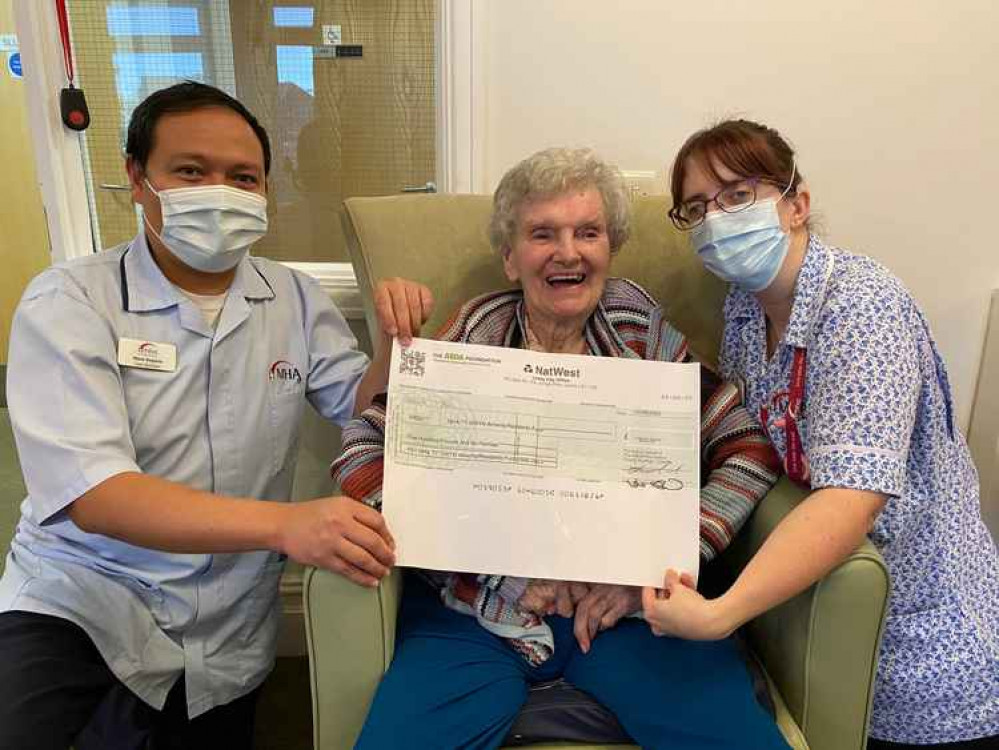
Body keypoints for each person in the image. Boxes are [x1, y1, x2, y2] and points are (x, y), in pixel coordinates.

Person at [0, 81, 431, 750]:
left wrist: (392, 344)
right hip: (85, 598)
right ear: (138, 178)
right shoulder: (70, 301)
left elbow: (359, 407)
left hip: (228, 622)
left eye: (243, 177)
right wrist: (288, 525)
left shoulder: (293, 296)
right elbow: (95, 494)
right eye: (192, 172)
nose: (220, 193)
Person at [331, 147, 790, 749]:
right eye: (542, 233)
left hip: (627, 617)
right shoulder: (473, 335)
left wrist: (660, 563)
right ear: (509, 256)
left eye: (588, 232)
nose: (567, 252)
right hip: (475, 614)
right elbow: (363, 445)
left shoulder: (638, 331)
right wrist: (477, 561)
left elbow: (745, 448)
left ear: (609, 248)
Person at [643, 118, 999, 749]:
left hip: (930, 643)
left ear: (796, 204)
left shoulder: (862, 305)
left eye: (736, 196)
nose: (716, 221)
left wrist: (720, 615)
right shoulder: (747, 310)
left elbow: (849, 501)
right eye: (697, 209)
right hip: (820, 622)